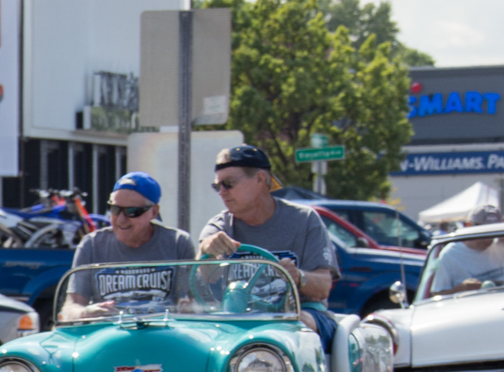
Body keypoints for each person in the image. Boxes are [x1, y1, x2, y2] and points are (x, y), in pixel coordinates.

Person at [196, 144, 340, 346]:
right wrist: (207, 249)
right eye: (217, 186)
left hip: (300, 313)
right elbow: (203, 277)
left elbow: (323, 287)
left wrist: (298, 277)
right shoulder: (220, 226)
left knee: (294, 322)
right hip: (236, 317)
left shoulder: (304, 219)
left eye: (228, 184)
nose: (222, 192)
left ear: (260, 179)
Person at [58, 172, 196, 320]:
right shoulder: (91, 245)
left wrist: (190, 308)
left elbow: (195, 302)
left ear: (154, 212)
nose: (121, 219)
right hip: (109, 332)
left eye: (132, 211)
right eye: (115, 209)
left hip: (162, 331)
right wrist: (86, 313)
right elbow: (70, 308)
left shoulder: (178, 243)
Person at [427, 205, 504, 295]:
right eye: (483, 230)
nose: (488, 238)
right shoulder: (450, 254)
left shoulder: (502, 247)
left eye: (493, 231)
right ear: (469, 226)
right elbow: (437, 294)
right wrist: (461, 288)